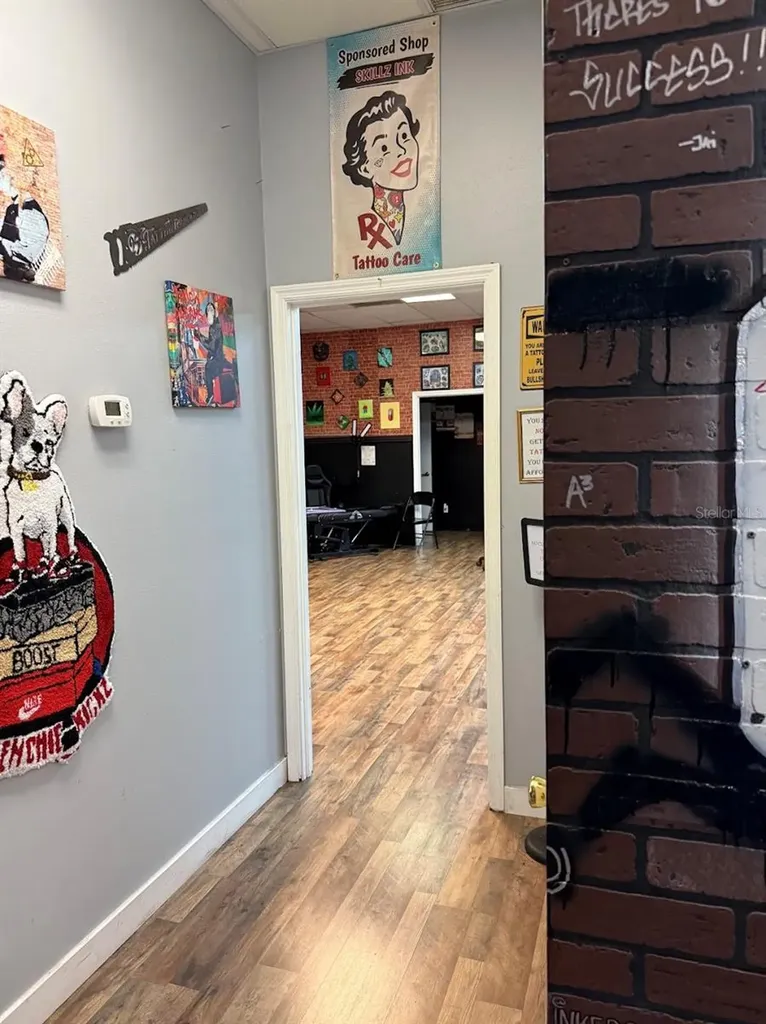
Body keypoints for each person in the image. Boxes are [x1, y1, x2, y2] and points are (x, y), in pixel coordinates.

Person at [342, 91, 420, 246]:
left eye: (404, 136)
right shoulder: (360, 221)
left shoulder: (421, 217)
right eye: (383, 148)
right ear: (364, 168)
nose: (401, 151)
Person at [0, 144, 50, 284]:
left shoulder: (18, 255)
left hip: (33, 219)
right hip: (28, 220)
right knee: (15, 194)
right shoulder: (13, 253)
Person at [200, 300, 225, 406]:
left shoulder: (216, 327)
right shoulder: (213, 326)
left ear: (215, 313)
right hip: (216, 358)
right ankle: (210, 394)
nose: (209, 313)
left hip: (219, 360)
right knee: (207, 366)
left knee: (207, 369)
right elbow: (212, 344)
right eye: (208, 311)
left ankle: (210, 395)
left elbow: (212, 347)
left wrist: (200, 338)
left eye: (211, 310)